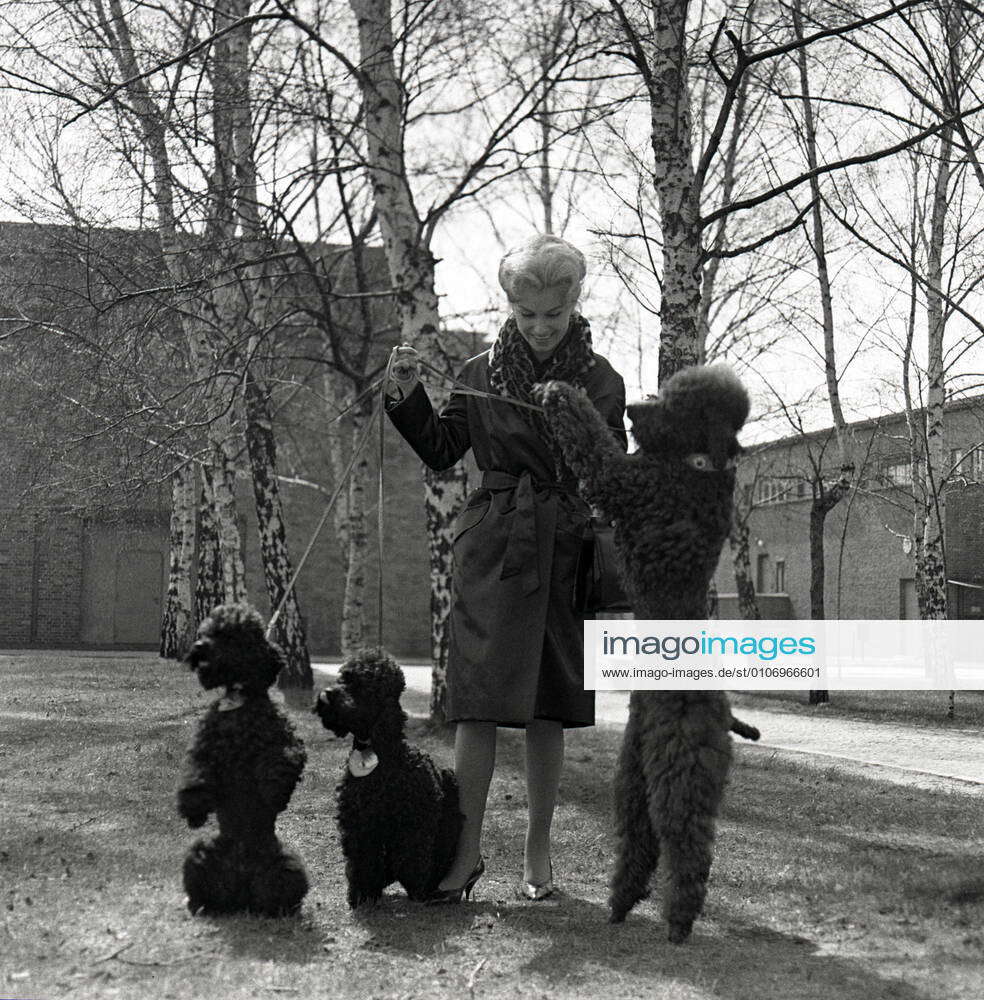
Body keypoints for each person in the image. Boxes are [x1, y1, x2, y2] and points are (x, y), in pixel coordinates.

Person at [384, 233, 627, 903]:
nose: (542, 328)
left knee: (548, 705)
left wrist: (577, 426)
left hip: (562, 548)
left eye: (554, 314)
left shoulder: (602, 379)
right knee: (477, 708)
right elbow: (440, 449)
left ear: (574, 303)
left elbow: (609, 472)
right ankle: (464, 856)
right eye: (528, 316)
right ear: (512, 306)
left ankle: (538, 852)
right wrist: (405, 399)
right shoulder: (478, 373)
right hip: (491, 547)